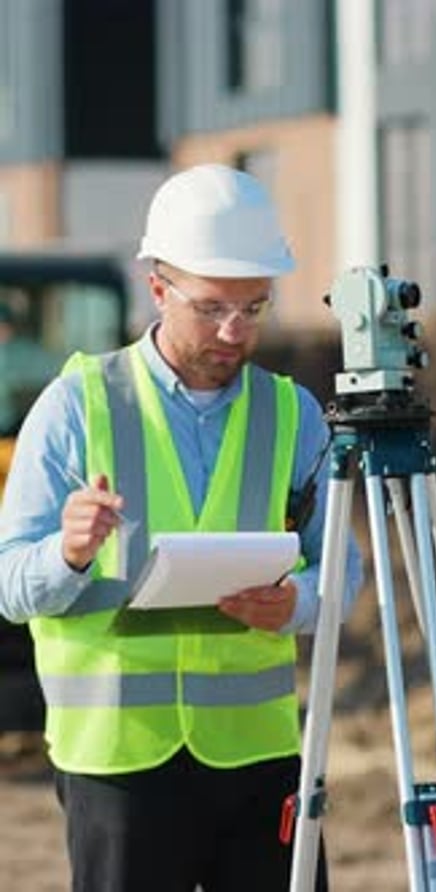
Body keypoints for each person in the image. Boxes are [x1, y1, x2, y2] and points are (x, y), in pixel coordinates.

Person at [0, 164, 363, 892]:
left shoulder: (292, 415)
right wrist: (68, 555)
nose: (234, 331)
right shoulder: (76, 407)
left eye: (254, 308)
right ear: (158, 290)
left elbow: (343, 566)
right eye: (212, 307)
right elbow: (11, 587)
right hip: (118, 764)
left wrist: (299, 604)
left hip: (259, 758)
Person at [0, 301, 60, 435]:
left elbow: (56, 375)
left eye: (4, 328)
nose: (2, 335)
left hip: (16, 434)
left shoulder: (27, 355)